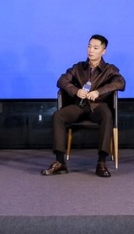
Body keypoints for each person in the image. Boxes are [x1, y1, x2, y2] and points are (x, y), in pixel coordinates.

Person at [41, 34, 125, 177]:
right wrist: (76, 91)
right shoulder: (78, 67)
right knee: (58, 115)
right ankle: (60, 162)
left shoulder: (109, 69)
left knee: (107, 115)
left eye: (95, 48)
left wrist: (98, 92)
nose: (91, 50)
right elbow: (61, 80)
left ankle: (101, 162)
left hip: (98, 106)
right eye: (89, 46)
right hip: (80, 106)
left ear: (103, 51)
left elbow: (120, 83)